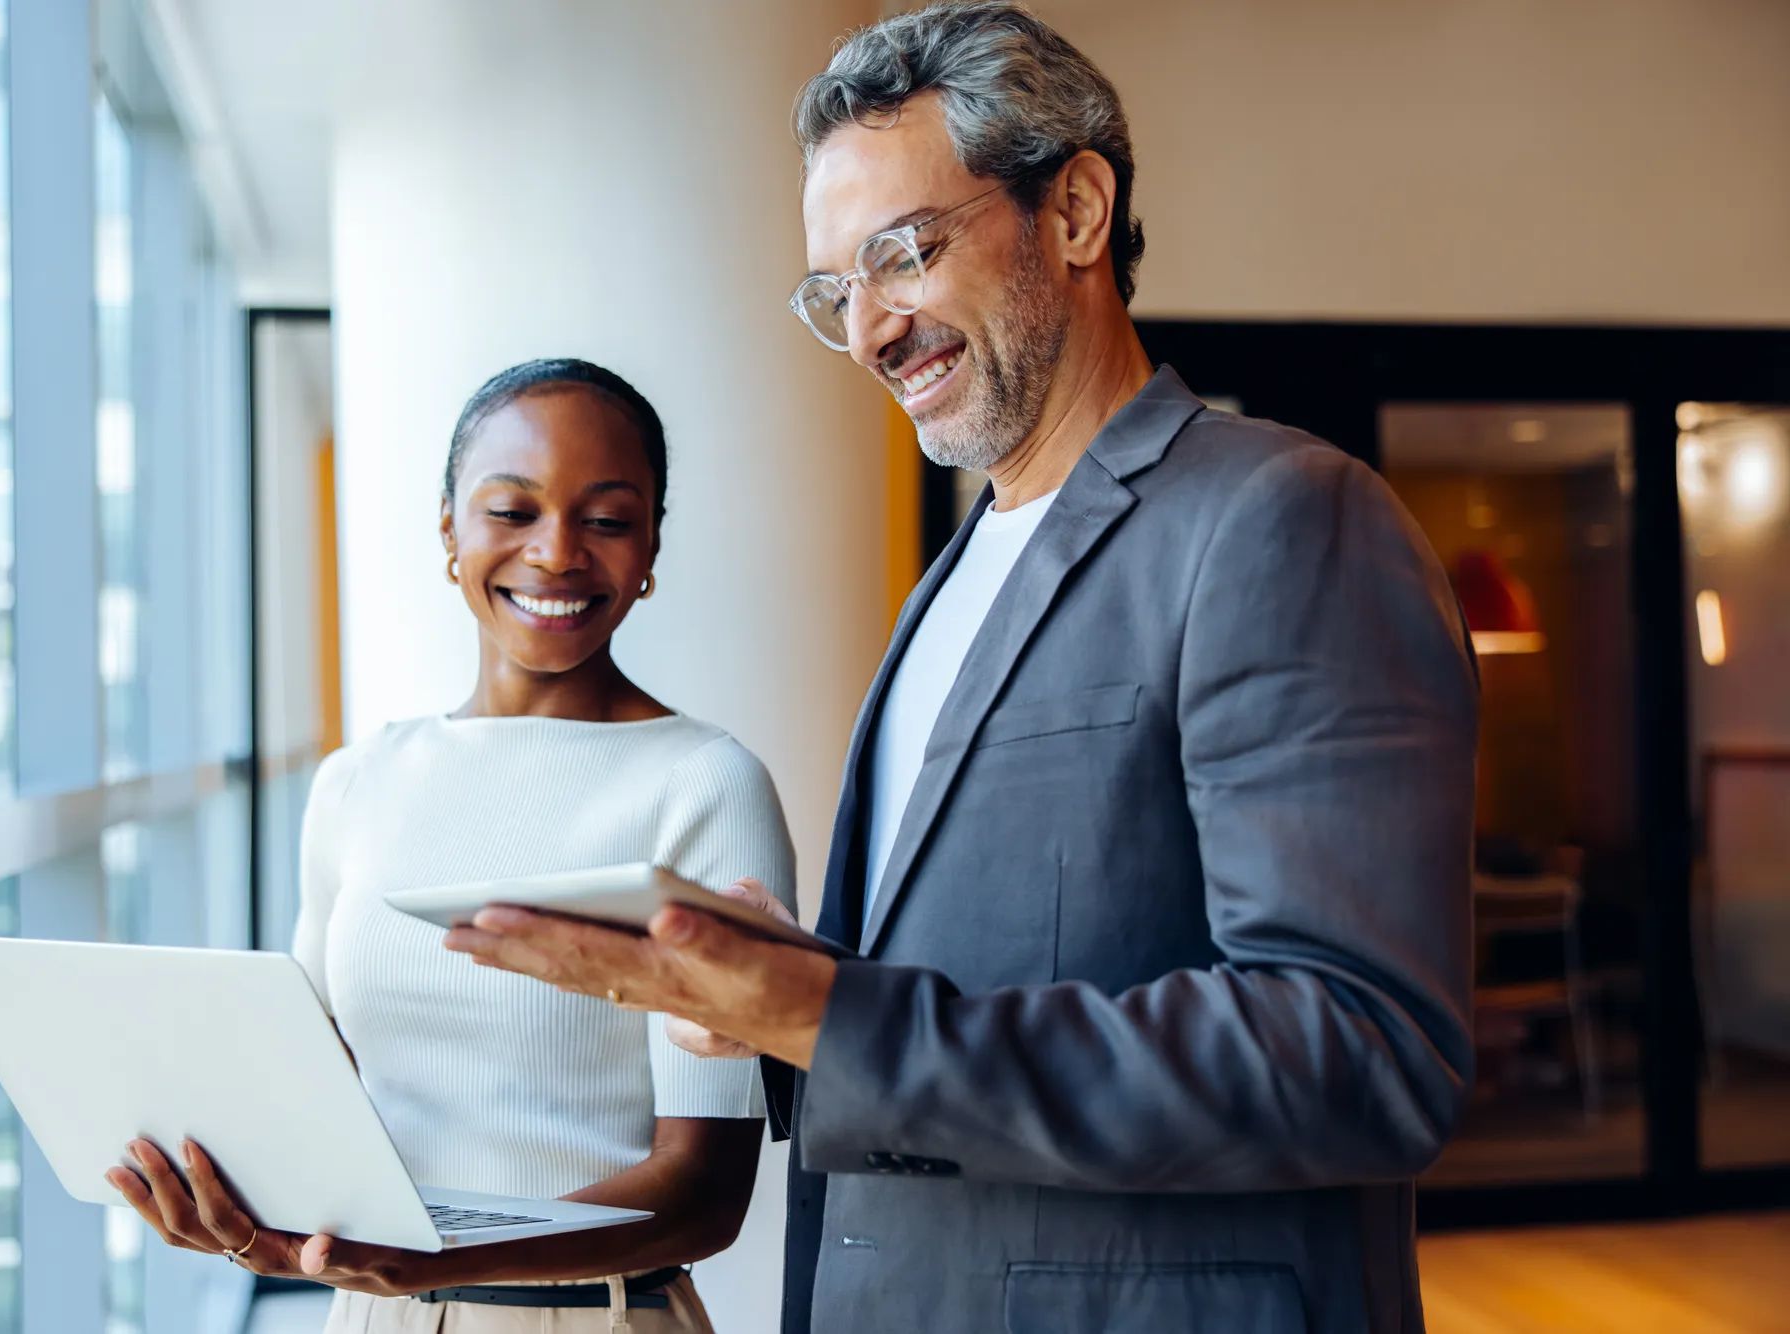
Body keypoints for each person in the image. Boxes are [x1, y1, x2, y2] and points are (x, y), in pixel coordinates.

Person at [446, 6, 1480, 1333]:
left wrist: (837, 1013)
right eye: (837, 291)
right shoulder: (949, 580)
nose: (873, 326)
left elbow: (1362, 1049)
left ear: (1077, 210)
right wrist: (776, 993)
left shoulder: (1279, 517)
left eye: (904, 254)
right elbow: (973, 987)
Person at [106, 358, 794, 1333]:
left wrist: (444, 1252)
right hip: (369, 1312)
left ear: (648, 546)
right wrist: (238, 1212)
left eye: (604, 519)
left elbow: (704, 1192)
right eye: (511, 511)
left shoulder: (705, 782)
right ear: (449, 531)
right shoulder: (355, 780)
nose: (555, 553)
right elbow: (318, 1089)